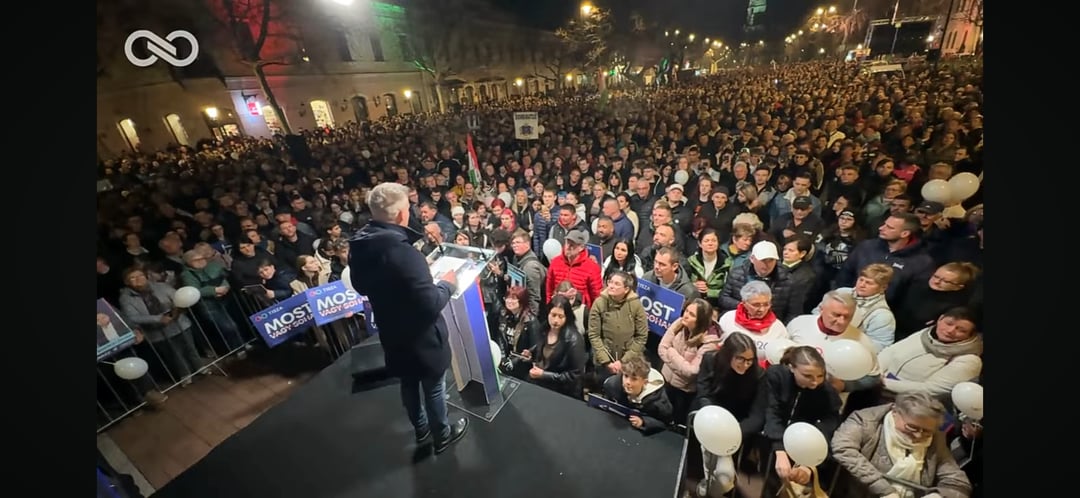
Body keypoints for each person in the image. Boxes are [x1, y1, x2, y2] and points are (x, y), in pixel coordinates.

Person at [347, 183, 468, 455]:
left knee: (408, 382)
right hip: (421, 336)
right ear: (402, 213)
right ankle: (442, 435)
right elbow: (430, 303)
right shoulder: (403, 252)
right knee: (434, 387)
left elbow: (362, 286)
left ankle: (421, 429)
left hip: (391, 330)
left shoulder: (360, 244)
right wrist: (447, 284)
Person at [831, 392, 972, 498]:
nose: (918, 435)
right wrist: (884, 489)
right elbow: (843, 449)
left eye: (926, 431)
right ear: (894, 413)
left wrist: (939, 495)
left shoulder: (935, 438)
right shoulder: (865, 421)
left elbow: (957, 481)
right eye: (912, 427)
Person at [692, 333, 767, 497]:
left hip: (737, 431)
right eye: (741, 359)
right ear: (728, 355)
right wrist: (713, 422)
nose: (746, 365)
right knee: (707, 466)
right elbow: (703, 393)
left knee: (724, 479)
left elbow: (757, 415)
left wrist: (732, 434)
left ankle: (709, 491)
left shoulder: (759, 374)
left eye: (750, 360)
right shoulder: (710, 360)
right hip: (710, 422)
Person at [601, 355, 673, 435]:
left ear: (645, 382)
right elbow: (606, 401)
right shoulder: (612, 385)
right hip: (616, 425)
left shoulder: (659, 402)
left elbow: (665, 423)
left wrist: (644, 422)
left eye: (634, 379)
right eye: (626, 376)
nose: (627, 382)